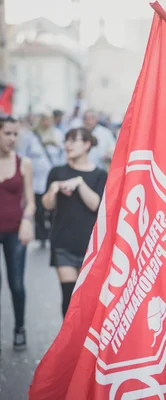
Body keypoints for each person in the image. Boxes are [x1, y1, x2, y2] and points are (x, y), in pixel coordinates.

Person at [42, 127, 107, 317]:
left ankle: (85, 343)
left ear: (87, 144)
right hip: (63, 243)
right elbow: (47, 205)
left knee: (87, 298)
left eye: (73, 141)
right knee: (68, 296)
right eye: (66, 141)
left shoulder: (100, 175)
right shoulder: (57, 171)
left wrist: (79, 182)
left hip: (90, 245)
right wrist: (52, 190)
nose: (67, 145)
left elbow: (96, 204)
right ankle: (69, 343)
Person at [0, 115, 35, 350]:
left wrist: (26, 220)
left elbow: (31, 201)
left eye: (15, 134)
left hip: (15, 231)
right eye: (8, 133)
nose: (12, 138)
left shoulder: (24, 163)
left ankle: (19, 328)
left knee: (16, 284)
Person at [16, 112, 65, 247]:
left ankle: (52, 232)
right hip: (36, 180)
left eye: (47, 120)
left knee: (53, 208)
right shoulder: (30, 137)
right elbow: (22, 155)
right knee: (38, 209)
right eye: (42, 120)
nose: (45, 123)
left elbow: (64, 154)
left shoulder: (57, 134)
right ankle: (42, 235)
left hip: (53, 178)